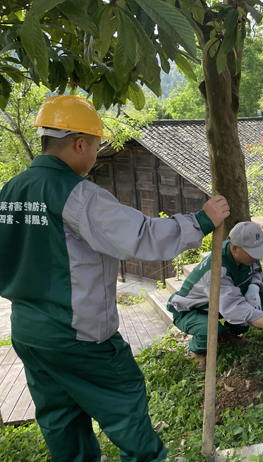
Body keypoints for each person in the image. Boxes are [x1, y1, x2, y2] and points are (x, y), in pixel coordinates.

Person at [0, 95, 230, 462]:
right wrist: (201, 221)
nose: (95, 155)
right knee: (123, 397)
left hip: (28, 332)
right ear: (79, 144)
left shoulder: (10, 191)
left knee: (60, 415)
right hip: (78, 335)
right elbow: (141, 236)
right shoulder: (78, 195)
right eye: (95, 146)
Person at [167, 221, 263, 371]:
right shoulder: (217, 271)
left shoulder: (247, 253)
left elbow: (256, 272)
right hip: (192, 310)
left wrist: (253, 288)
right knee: (210, 329)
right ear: (234, 248)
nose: (257, 257)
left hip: (220, 303)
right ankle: (197, 350)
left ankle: (230, 334)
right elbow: (238, 310)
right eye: (254, 253)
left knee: (261, 294)